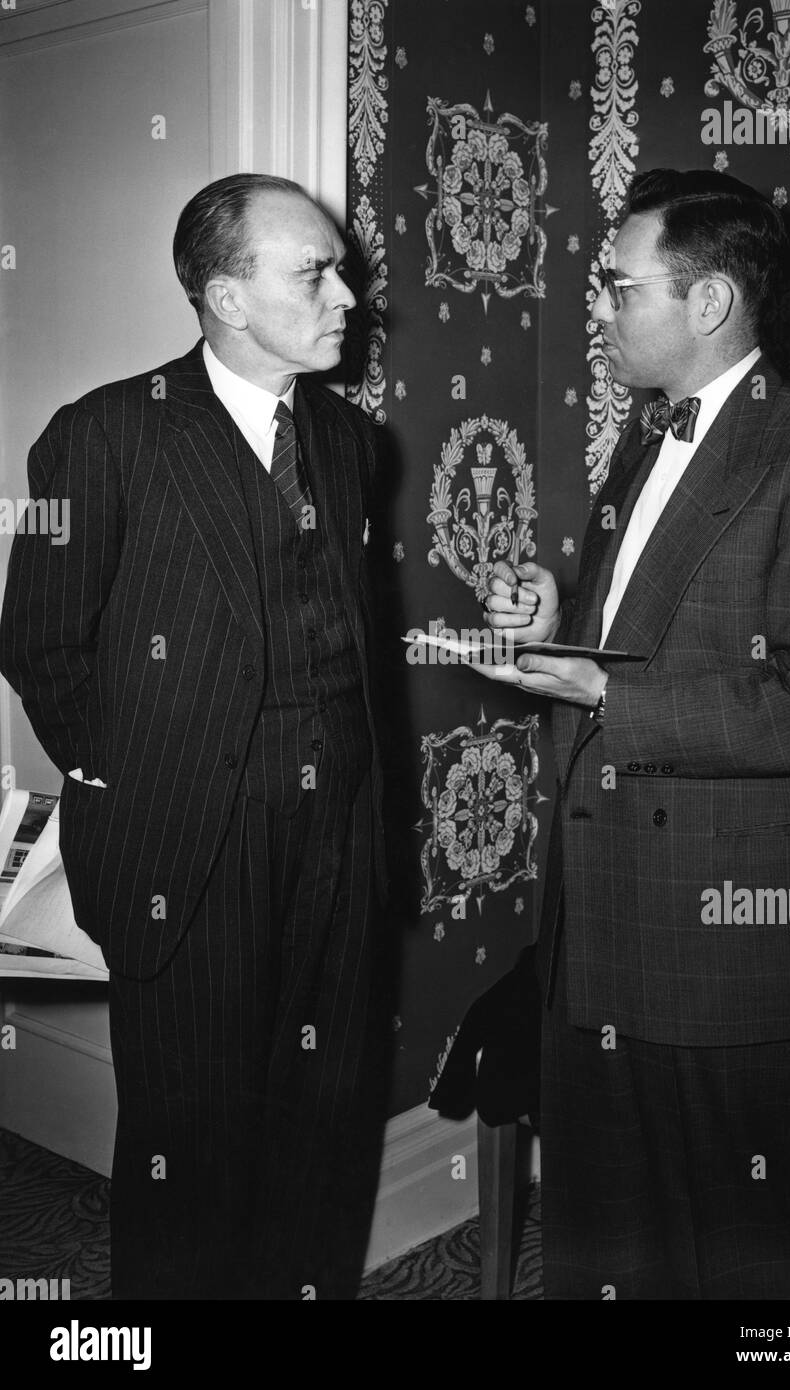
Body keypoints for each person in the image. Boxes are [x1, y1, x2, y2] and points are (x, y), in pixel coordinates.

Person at [478, 168, 790, 1299]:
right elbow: (634, 635)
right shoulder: (641, 440)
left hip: (727, 939)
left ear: (708, 302)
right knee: (608, 1234)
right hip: (595, 914)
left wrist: (604, 695)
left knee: (749, 1253)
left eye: (620, 288)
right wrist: (552, 619)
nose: (602, 310)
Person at [0, 173, 388, 1300]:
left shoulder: (351, 439)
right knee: (192, 1146)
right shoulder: (107, 434)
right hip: (189, 844)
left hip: (339, 836)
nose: (348, 295)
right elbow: (43, 643)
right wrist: (139, 774)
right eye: (314, 272)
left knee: (321, 1122)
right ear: (226, 295)